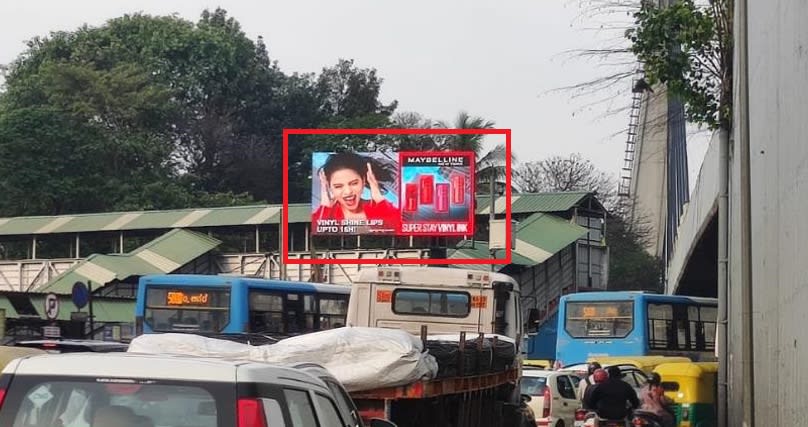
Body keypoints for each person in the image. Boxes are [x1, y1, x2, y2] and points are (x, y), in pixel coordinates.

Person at [313, 152, 399, 229]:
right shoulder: (326, 213)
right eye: (338, 186)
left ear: (363, 181)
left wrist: (377, 195)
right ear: (330, 187)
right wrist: (325, 203)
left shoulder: (379, 207)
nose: (348, 192)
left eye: (354, 183)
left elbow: (398, 227)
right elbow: (317, 234)